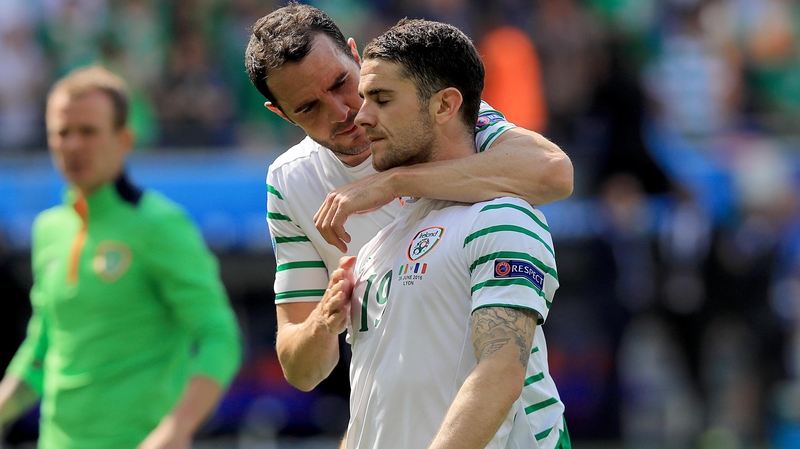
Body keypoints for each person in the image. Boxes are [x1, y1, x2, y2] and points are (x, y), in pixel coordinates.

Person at [244, 2, 573, 392]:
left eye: (339, 83)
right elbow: (302, 372)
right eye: (308, 108)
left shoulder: (432, 114)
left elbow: (554, 173)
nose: (340, 111)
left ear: (355, 54)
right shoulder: (289, 181)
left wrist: (394, 182)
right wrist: (323, 320)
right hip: (393, 422)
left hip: (512, 423)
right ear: (280, 113)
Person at [329, 18, 569, 448]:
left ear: (444, 106)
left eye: (382, 99)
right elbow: (372, 402)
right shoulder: (379, 244)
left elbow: (500, 374)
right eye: (364, 99)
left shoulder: (502, 217)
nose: (361, 117)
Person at [0, 66, 242, 449]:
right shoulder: (49, 229)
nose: (74, 145)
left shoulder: (161, 225)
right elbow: (42, 349)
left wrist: (176, 428)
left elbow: (219, 337)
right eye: (63, 133)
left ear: (124, 139)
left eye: (88, 131)